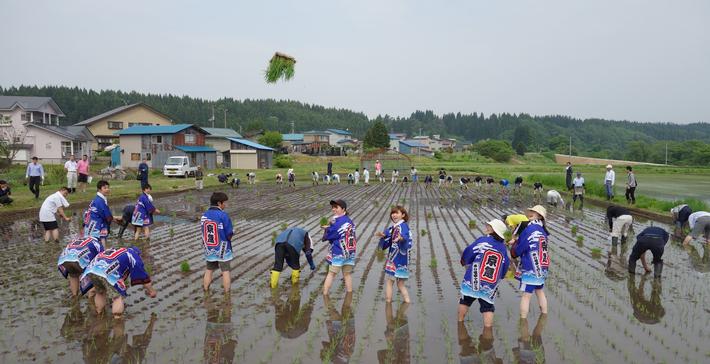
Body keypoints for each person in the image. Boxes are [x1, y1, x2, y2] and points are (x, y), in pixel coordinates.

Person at [458, 219, 510, 325]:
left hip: (474, 278)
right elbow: (505, 265)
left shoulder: (483, 241)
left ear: (494, 231)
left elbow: (470, 251)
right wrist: (501, 276)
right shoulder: (503, 248)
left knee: (465, 301)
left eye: (489, 226)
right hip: (490, 283)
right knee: (488, 307)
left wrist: (464, 261)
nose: (487, 226)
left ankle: (460, 323)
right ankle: (488, 331)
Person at [80, 246, 156, 316]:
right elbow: (143, 277)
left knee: (100, 292)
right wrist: (151, 291)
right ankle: (117, 320)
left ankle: (99, 313)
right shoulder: (133, 256)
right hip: (106, 271)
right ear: (138, 254)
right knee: (117, 297)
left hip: (91, 270)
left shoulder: (118, 251)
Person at [511, 205, 549, 319]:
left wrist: (513, 249)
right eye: (531, 211)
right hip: (542, 266)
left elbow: (520, 247)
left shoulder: (529, 229)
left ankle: (523, 321)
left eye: (534, 211)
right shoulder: (542, 230)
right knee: (539, 291)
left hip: (531, 266)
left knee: (526, 296)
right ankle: (544, 316)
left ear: (540, 216)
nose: (531, 212)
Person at [375, 206, 413, 303]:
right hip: (403, 260)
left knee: (389, 281)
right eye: (393, 213)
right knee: (400, 284)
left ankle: (388, 302)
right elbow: (387, 235)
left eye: (397, 213)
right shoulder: (394, 227)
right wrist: (383, 235)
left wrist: (401, 238)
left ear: (403, 215)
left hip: (396, 259)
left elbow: (405, 237)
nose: (394, 215)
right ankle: (407, 301)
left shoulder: (402, 226)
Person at [201, 192, 234, 293]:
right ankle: (227, 293)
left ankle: (205, 290)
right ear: (219, 203)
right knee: (225, 271)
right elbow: (229, 233)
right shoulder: (223, 215)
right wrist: (230, 236)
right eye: (225, 203)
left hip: (209, 248)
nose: (226, 205)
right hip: (223, 248)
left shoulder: (204, 215)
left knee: (209, 270)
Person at [321, 199, 356, 295]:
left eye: (336, 207)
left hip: (339, 251)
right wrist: (330, 226)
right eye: (333, 207)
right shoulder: (349, 221)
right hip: (350, 252)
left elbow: (331, 234)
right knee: (347, 274)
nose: (333, 209)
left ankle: (325, 293)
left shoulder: (339, 222)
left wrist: (326, 229)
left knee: (331, 273)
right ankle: (349, 293)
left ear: (343, 209)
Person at [83, 180, 115, 246]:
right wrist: (113, 219)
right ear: (99, 189)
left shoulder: (98, 199)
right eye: (105, 188)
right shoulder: (99, 201)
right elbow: (106, 215)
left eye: (108, 187)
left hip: (93, 224)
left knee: (99, 240)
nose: (107, 189)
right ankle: (102, 254)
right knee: (98, 242)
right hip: (95, 225)